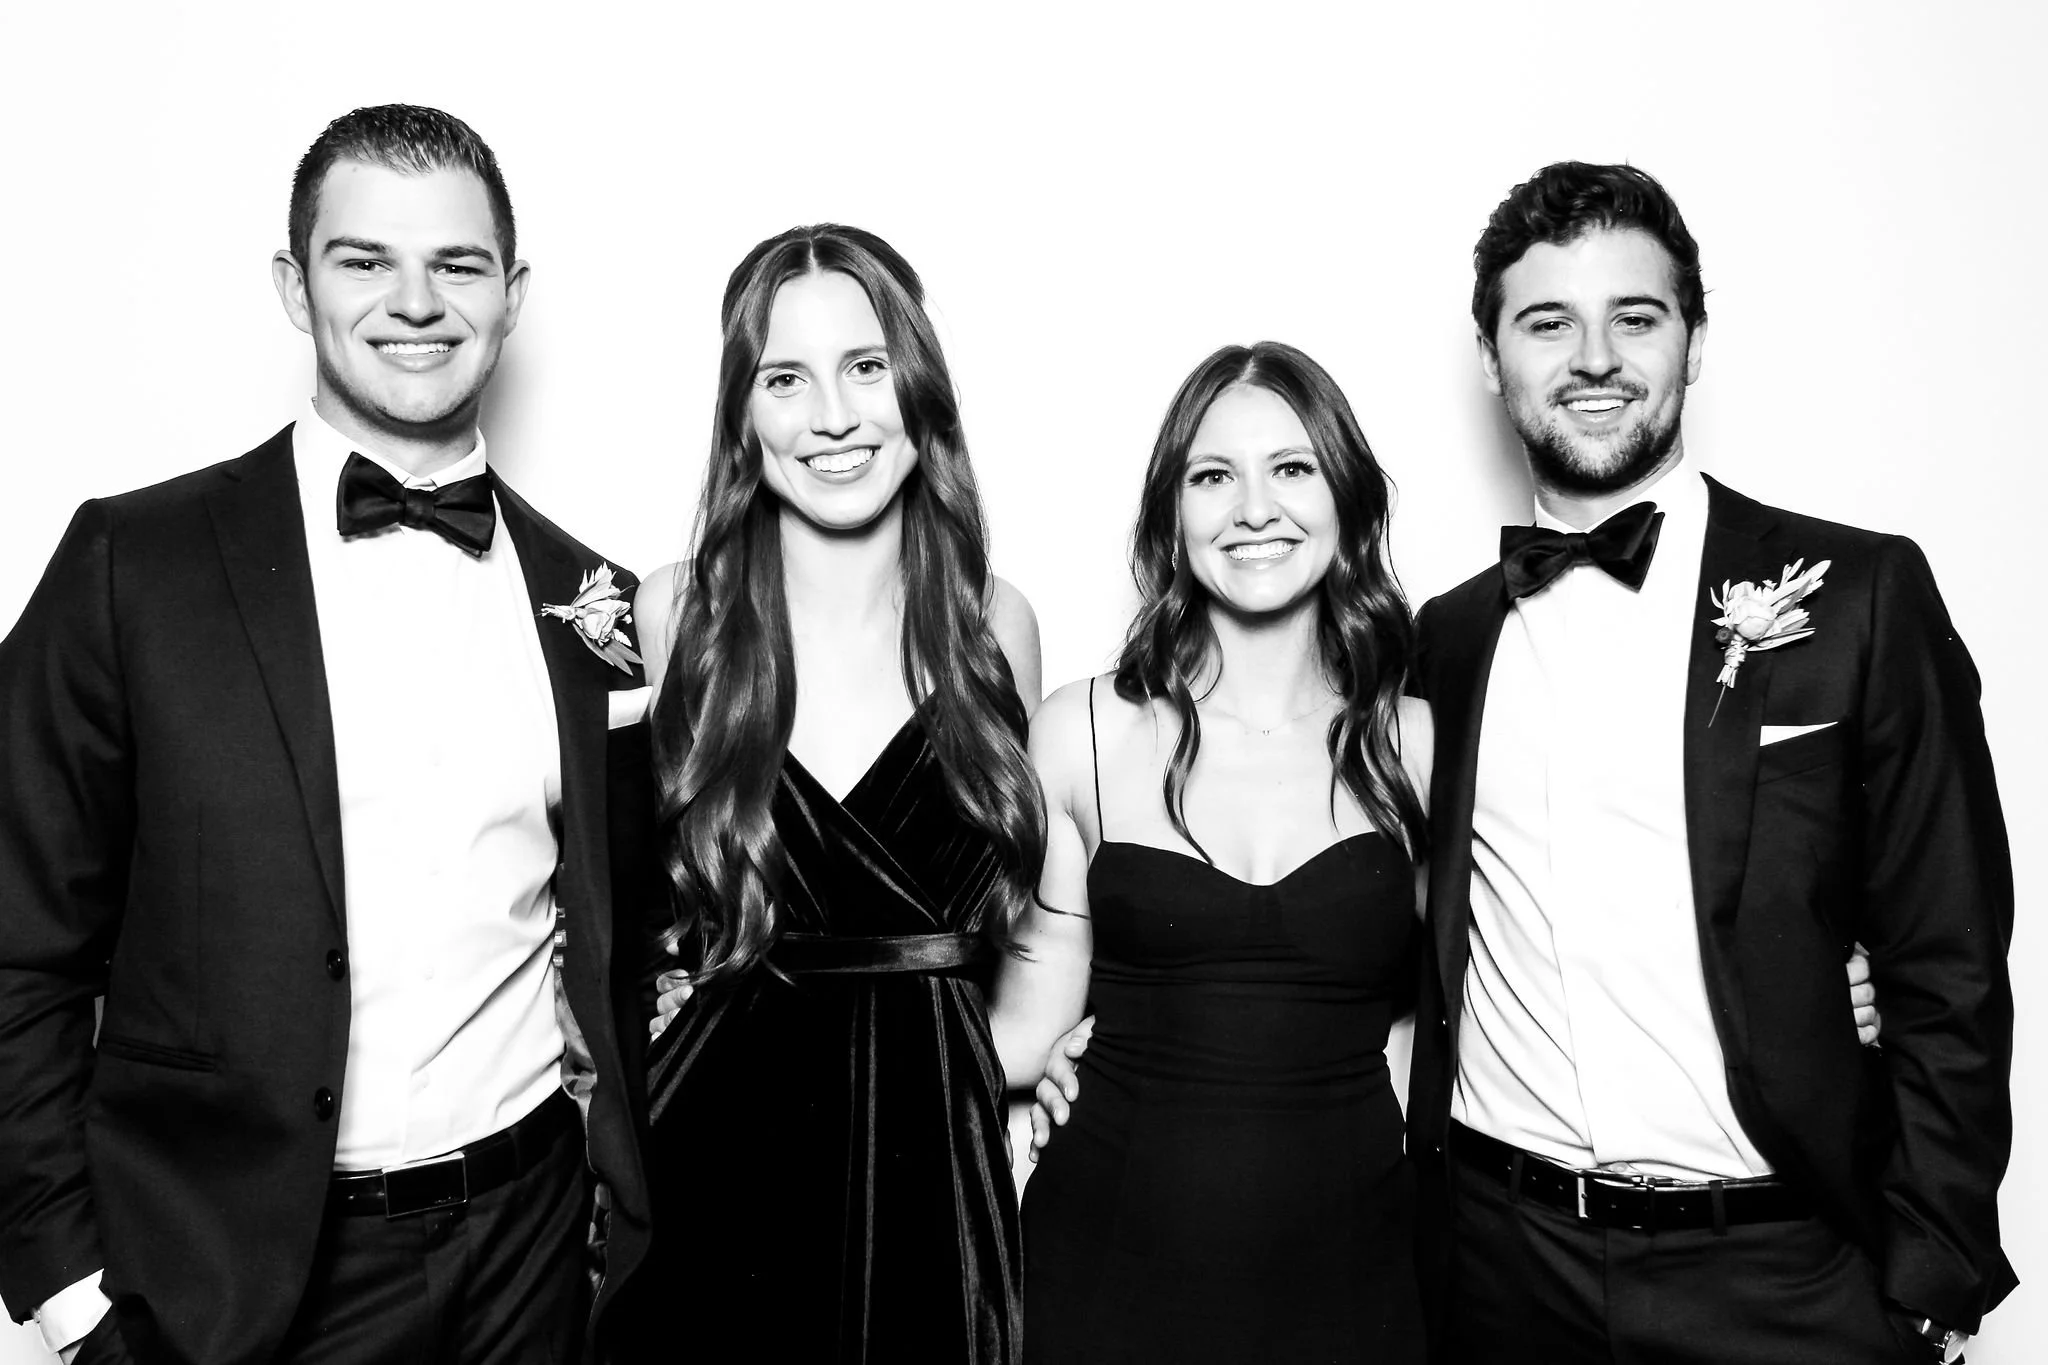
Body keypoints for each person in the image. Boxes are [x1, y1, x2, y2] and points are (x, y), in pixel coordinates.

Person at [0, 105, 659, 1365]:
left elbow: (636, 939)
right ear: (294, 288)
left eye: (457, 264)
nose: (416, 302)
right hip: (234, 1282)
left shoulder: (598, 602)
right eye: (365, 260)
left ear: (511, 295)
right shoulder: (131, 565)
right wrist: (73, 1293)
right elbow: (16, 944)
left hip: (530, 1264)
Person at [1404, 162, 2014, 1364]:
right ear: (1491, 357)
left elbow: (1946, 956)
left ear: (1691, 338)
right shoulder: (1445, 637)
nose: (1592, 358)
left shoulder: (1857, 595)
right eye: (1545, 323)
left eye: (1633, 318)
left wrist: (1932, 1266)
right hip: (1499, 1267)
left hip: (1786, 1277)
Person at [602, 225, 1045, 1363]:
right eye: (785, 379)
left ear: (919, 387)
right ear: (743, 418)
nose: (834, 415)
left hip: (935, 1184)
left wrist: (992, 1073)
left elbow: (1044, 917)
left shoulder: (997, 629)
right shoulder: (675, 617)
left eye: (864, 367)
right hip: (714, 1168)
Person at [996, 341, 1434, 1363]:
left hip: (1353, 1280)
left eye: (1291, 469)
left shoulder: (1416, 743)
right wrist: (769, 1014)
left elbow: (1457, 1011)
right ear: (1171, 514)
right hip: (1103, 1272)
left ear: (1347, 501)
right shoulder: (1082, 734)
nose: (1252, 508)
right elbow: (1028, 1018)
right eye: (1212, 476)